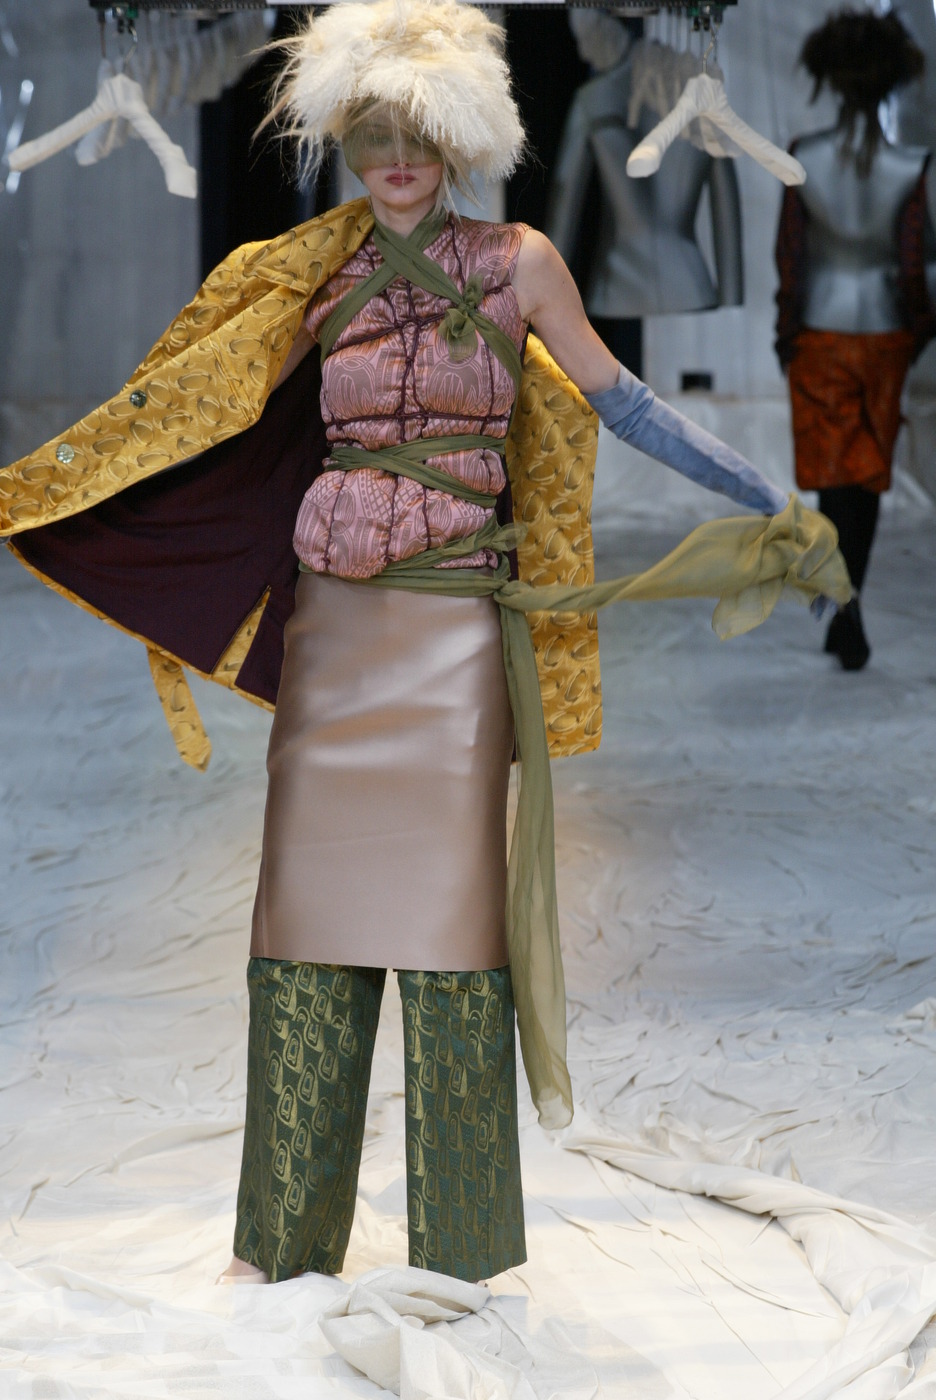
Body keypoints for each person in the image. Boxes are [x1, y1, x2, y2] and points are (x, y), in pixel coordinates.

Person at [1, 0, 848, 1288]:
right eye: (374, 136)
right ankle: (283, 1240)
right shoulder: (308, 272)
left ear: (459, 139)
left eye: (419, 136)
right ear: (346, 140)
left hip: (455, 631)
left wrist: (773, 497)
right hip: (335, 630)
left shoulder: (519, 263)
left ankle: (459, 1243)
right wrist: (61, 489)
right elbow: (194, 408)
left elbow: (624, 404)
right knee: (301, 916)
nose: (396, 159)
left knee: (452, 926)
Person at [775, 7, 934, 671]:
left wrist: (785, 333)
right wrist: (920, 330)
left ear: (832, 80)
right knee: (867, 474)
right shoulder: (912, 165)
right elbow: (913, 261)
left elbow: (791, 258)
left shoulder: (804, 158)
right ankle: (850, 601)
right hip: (886, 333)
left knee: (832, 472)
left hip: (819, 330)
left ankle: (845, 605)